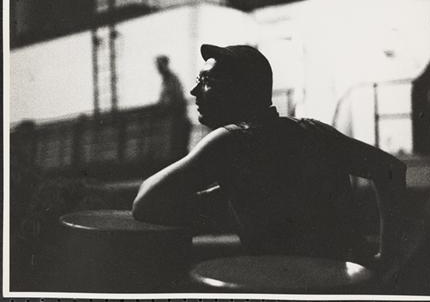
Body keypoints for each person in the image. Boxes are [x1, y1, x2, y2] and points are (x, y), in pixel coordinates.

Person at [134, 45, 407, 268]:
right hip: (347, 281)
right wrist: (388, 257)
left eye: (207, 82)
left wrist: (216, 199)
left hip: (286, 285)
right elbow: (391, 169)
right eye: (198, 80)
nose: (194, 91)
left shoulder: (230, 141)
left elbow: (145, 202)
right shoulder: (314, 130)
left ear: (240, 90)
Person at [155, 55, 190, 160]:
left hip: (177, 118)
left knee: (178, 150)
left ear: (165, 64)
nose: (158, 68)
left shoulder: (172, 79)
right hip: (172, 119)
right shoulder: (166, 81)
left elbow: (176, 99)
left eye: (160, 65)